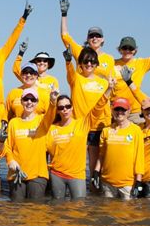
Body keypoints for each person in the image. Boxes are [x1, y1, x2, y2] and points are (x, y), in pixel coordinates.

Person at [48, 58, 113, 200]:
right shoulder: (51, 128)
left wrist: (108, 90)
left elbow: (97, 109)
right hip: (56, 174)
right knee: (56, 210)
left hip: (76, 176)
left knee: (78, 210)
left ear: (72, 108)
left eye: (67, 107)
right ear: (57, 111)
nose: (64, 110)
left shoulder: (82, 124)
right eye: (61, 108)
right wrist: (52, 103)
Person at [62, 46, 109, 186]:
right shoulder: (76, 79)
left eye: (92, 62)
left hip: (98, 128)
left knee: (95, 165)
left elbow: (105, 106)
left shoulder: (104, 83)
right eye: (86, 61)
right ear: (80, 63)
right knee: (77, 162)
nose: (89, 64)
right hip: (80, 126)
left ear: (96, 64)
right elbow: (70, 72)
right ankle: (76, 192)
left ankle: (94, 194)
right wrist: (68, 61)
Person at [4, 88, 55, 201]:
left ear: (37, 103)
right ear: (21, 101)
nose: (29, 102)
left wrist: (52, 102)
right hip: (16, 174)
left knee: (34, 211)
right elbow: (7, 146)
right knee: (16, 210)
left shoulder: (42, 121)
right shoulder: (13, 122)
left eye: (33, 99)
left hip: (37, 175)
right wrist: (10, 160)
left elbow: (51, 115)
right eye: (26, 99)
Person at [95, 98, 146, 200]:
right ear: (112, 110)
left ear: (129, 111)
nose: (120, 112)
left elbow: (139, 157)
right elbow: (101, 155)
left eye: (123, 110)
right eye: (117, 109)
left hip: (127, 184)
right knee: (107, 214)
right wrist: (96, 172)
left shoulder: (136, 131)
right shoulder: (106, 130)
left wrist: (139, 181)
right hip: (107, 182)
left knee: (127, 214)